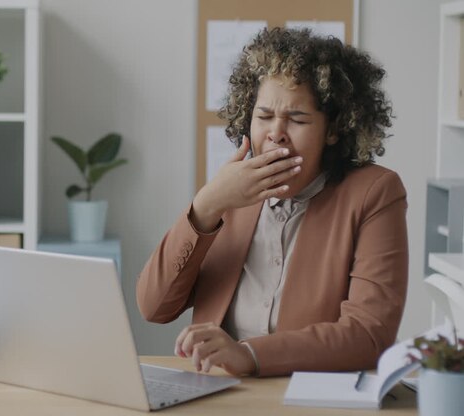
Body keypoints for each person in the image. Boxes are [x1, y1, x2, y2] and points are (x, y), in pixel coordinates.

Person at [136, 27, 408, 377]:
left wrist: (249, 353)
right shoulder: (231, 191)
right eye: (264, 116)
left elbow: (370, 335)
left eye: (297, 119)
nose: (276, 132)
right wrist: (206, 206)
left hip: (310, 393)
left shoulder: (375, 192)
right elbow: (153, 307)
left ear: (334, 130)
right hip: (218, 389)